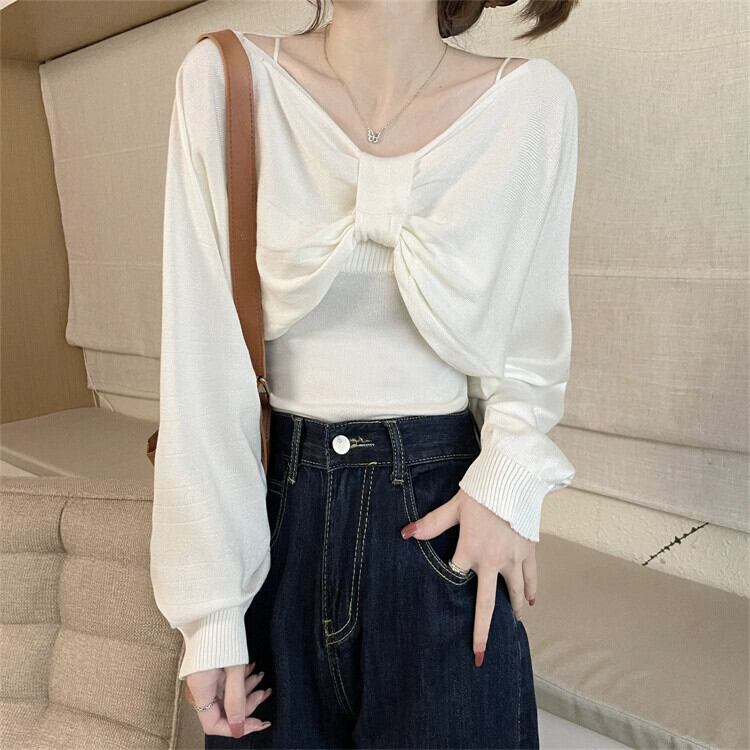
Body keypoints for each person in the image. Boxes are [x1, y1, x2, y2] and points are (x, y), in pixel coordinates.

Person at [150, 0, 580, 747]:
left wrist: (506, 483)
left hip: (443, 517)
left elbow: (531, 342)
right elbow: (201, 363)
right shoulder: (225, 80)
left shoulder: (532, 103)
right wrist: (211, 613)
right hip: (271, 528)